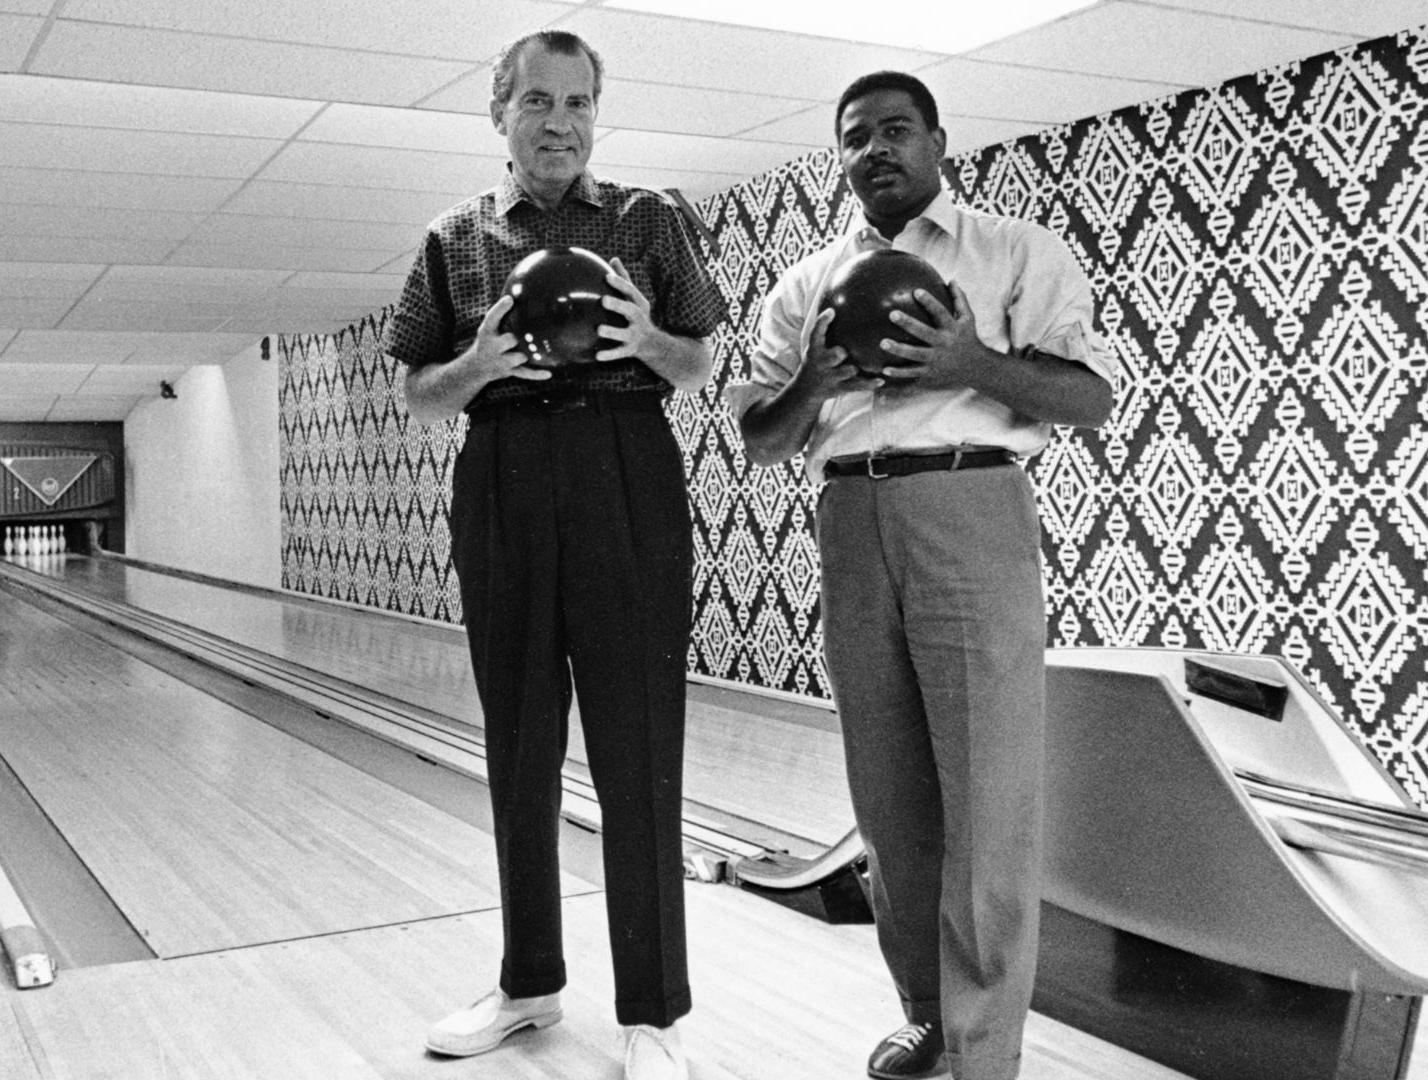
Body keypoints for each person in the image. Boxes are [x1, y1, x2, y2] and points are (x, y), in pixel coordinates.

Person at [730, 71, 1116, 1080]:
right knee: (889, 795)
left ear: (939, 142)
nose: (876, 150)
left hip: (969, 501)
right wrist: (813, 379)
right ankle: (929, 1018)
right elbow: (760, 438)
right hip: (850, 517)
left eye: (896, 130)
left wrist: (969, 362)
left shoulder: (1015, 253)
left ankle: (985, 1053)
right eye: (855, 137)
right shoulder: (805, 286)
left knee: (988, 792)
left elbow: (1090, 398)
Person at [383, 28, 725, 1080]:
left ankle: (653, 1014)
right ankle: (529, 984)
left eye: (578, 102)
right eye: (538, 100)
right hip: (505, 468)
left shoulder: (647, 217)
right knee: (520, 742)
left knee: (639, 744)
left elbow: (700, 359)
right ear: (500, 112)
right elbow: (416, 388)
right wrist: (478, 363)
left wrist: (646, 342)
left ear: (595, 115)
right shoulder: (454, 237)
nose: (560, 123)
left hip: (626, 464)